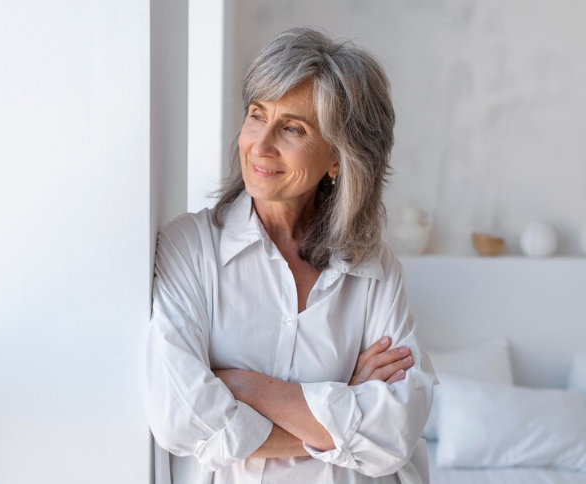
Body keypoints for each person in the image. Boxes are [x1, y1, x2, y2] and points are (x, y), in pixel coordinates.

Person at [144, 27, 438, 484]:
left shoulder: (373, 266)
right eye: (257, 115)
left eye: (293, 128)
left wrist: (243, 387)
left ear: (338, 159)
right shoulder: (191, 247)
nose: (260, 146)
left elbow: (395, 431)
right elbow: (181, 418)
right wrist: (343, 403)